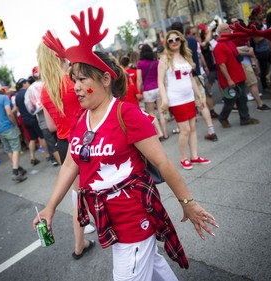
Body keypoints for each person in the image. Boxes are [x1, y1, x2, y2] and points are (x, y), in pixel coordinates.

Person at [33, 7, 218, 280]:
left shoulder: (126, 115)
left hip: (134, 220)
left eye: (83, 79)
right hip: (109, 221)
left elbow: (162, 162)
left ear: (105, 79)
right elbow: (71, 163)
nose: (76, 87)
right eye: (74, 80)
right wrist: (50, 207)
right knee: (154, 265)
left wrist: (187, 203)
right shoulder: (81, 122)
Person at [37, 41, 95, 259]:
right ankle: (83, 241)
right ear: (60, 55)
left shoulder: (45, 91)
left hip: (65, 144)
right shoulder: (73, 82)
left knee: (79, 195)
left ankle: (80, 243)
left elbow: (51, 127)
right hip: (87, 137)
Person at [158, 30, 211, 170]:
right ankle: (183, 158)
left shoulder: (185, 56)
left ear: (181, 40)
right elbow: (160, 82)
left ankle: (194, 156)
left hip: (189, 98)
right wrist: (164, 100)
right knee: (185, 130)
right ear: (167, 43)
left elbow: (190, 78)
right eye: (170, 40)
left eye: (177, 39)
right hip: (176, 99)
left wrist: (199, 95)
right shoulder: (164, 59)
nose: (174, 42)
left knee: (193, 128)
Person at [174, 23, 218, 142]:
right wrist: (204, 66)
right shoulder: (193, 41)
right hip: (197, 74)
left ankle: (188, 133)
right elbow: (199, 54)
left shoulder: (175, 45)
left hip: (184, 79)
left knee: (186, 105)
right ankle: (211, 130)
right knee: (202, 102)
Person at [213, 23, 260, 129]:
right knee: (230, 101)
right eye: (227, 29)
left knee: (242, 98)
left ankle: (245, 118)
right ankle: (223, 117)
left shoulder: (229, 42)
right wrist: (229, 80)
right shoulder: (219, 47)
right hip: (230, 80)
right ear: (222, 33)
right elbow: (221, 65)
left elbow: (235, 55)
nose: (230, 30)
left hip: (239, 76)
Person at [0, 79, 27, 182]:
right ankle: (15, 171)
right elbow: (9, 113)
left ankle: (17, 168)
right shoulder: (3, 98)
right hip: (8, 126)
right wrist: (15, 124)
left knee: (8, 149)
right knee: (16, 148)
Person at [25, 67, 60, 166]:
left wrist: (38, 106)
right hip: (56, 118)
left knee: (51, 143)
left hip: (43, 121)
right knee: (61, 140)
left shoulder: (30, 89)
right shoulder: (49, 83)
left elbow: (30, 108)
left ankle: (56, 160)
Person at [137, 44, 168, 141]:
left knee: (151, 112)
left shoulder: (140, 63)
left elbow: (139, 79)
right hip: (158, 88)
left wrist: (139, 91)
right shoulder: (156, 61)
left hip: (148, 90)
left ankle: (160, 133)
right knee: (161, 111)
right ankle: (166, 133)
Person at [15, 77, 47, 166]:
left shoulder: (17, 96)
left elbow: (17, 108)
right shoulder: (27, 92)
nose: (28, 83)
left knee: (32, 139)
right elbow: (33, 105)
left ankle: (32, 157)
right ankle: (48, 154)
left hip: (25, 119)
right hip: (32, 118)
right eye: (26, 82)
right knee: (41, 137)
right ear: (23, 84)